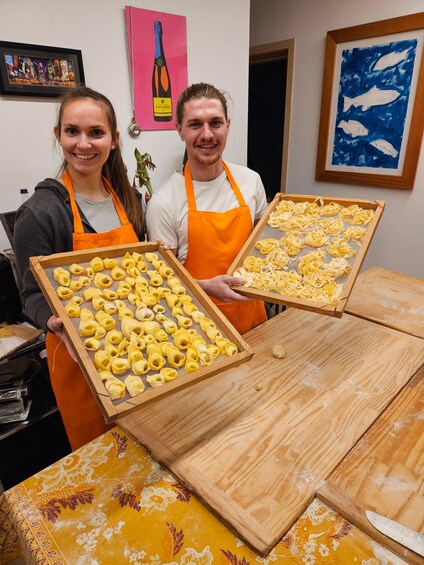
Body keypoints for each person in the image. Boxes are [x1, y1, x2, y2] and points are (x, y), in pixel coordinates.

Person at [14, 86, 145, 451]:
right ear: (59, 136)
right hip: (80, 361)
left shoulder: (128, 201)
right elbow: (31, 294)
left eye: (96, 132)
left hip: (139, 350)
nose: (83, 143)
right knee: (103, 460)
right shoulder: (41, 213)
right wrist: (52, 320)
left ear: (114, 140)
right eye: (72, 131)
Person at [146, 82, 268, 334]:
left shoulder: (251, 181)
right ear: (179, 130)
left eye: (215, 123)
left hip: (253, 321)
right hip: (196, 332)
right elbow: (162, 284)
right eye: (195, 124)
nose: (207, 134)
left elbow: (265, 246)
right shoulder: (164, 201)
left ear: (228, 126)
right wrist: (204, 287)